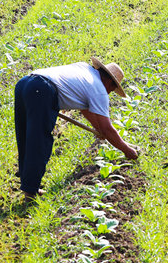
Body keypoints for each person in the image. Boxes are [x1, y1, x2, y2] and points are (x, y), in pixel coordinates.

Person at [14, 57, 138, 200]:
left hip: (25, 83)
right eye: (113, 89)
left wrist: (98, 129)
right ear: (110, 82)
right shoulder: (99, 89)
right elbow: (107, 128)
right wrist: (127, 150)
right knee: (40, 141)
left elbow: (85, 109)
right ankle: (30, 192)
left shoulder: (85, 70)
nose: (110, 92)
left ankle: (29, 186)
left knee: (26, 135)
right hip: (42, 91)